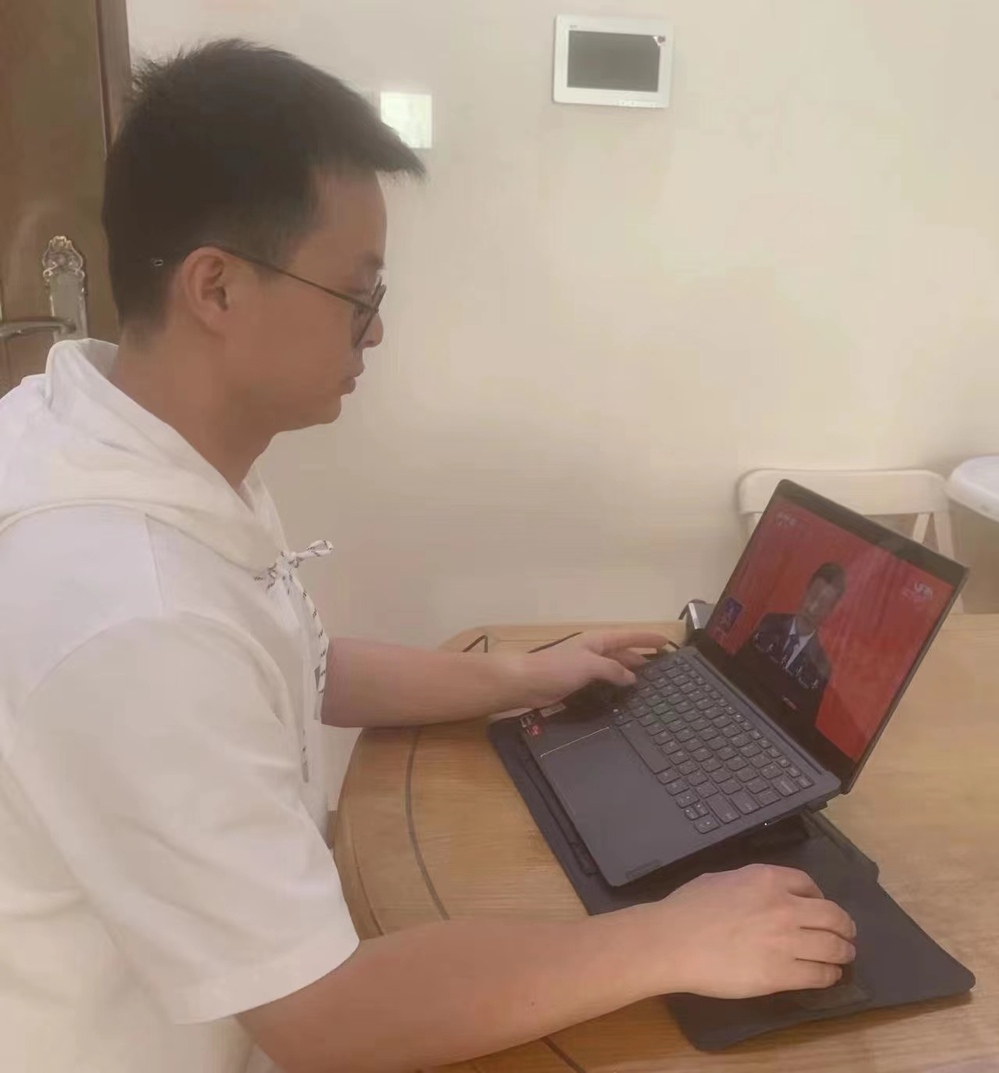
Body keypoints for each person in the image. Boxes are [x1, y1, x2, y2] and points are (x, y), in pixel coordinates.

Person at [0, 41, 856, 1073]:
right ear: (215, 289)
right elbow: (327, 1021)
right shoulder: (129, 613)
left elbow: (294, 659)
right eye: (357, 295)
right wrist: (673, 938)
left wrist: (526, 674)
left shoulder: (109, 433)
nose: (375, 333)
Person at [739, 562, 847, 724]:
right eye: (813, 596)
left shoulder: (821, 666)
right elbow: (736, 669)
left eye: (823, 604)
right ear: (805, 591)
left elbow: (802, 725)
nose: (812, 608)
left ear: (830, 612)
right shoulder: (770, 623)